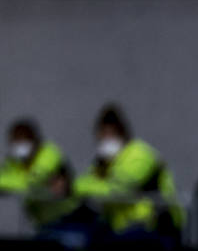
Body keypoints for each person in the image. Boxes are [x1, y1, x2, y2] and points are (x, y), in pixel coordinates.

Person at [73, 103, 181, 241]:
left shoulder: (140, 154)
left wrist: (95, 184)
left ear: (122, 134)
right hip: (121, 226)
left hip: (153, 224)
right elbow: (80, 185)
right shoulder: (104, 162)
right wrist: (96, 184)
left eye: (111, 134)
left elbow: (120, 189)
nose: (107, 141)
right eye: (103, 135)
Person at [0, 119, 74, 229]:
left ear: (34, 140)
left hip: (67, 219)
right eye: (16, 140)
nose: (19, 145)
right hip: (41, 222)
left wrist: (12, 181)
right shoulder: (14, 162)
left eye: (23, 139)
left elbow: (34, 181)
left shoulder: (49, 154)